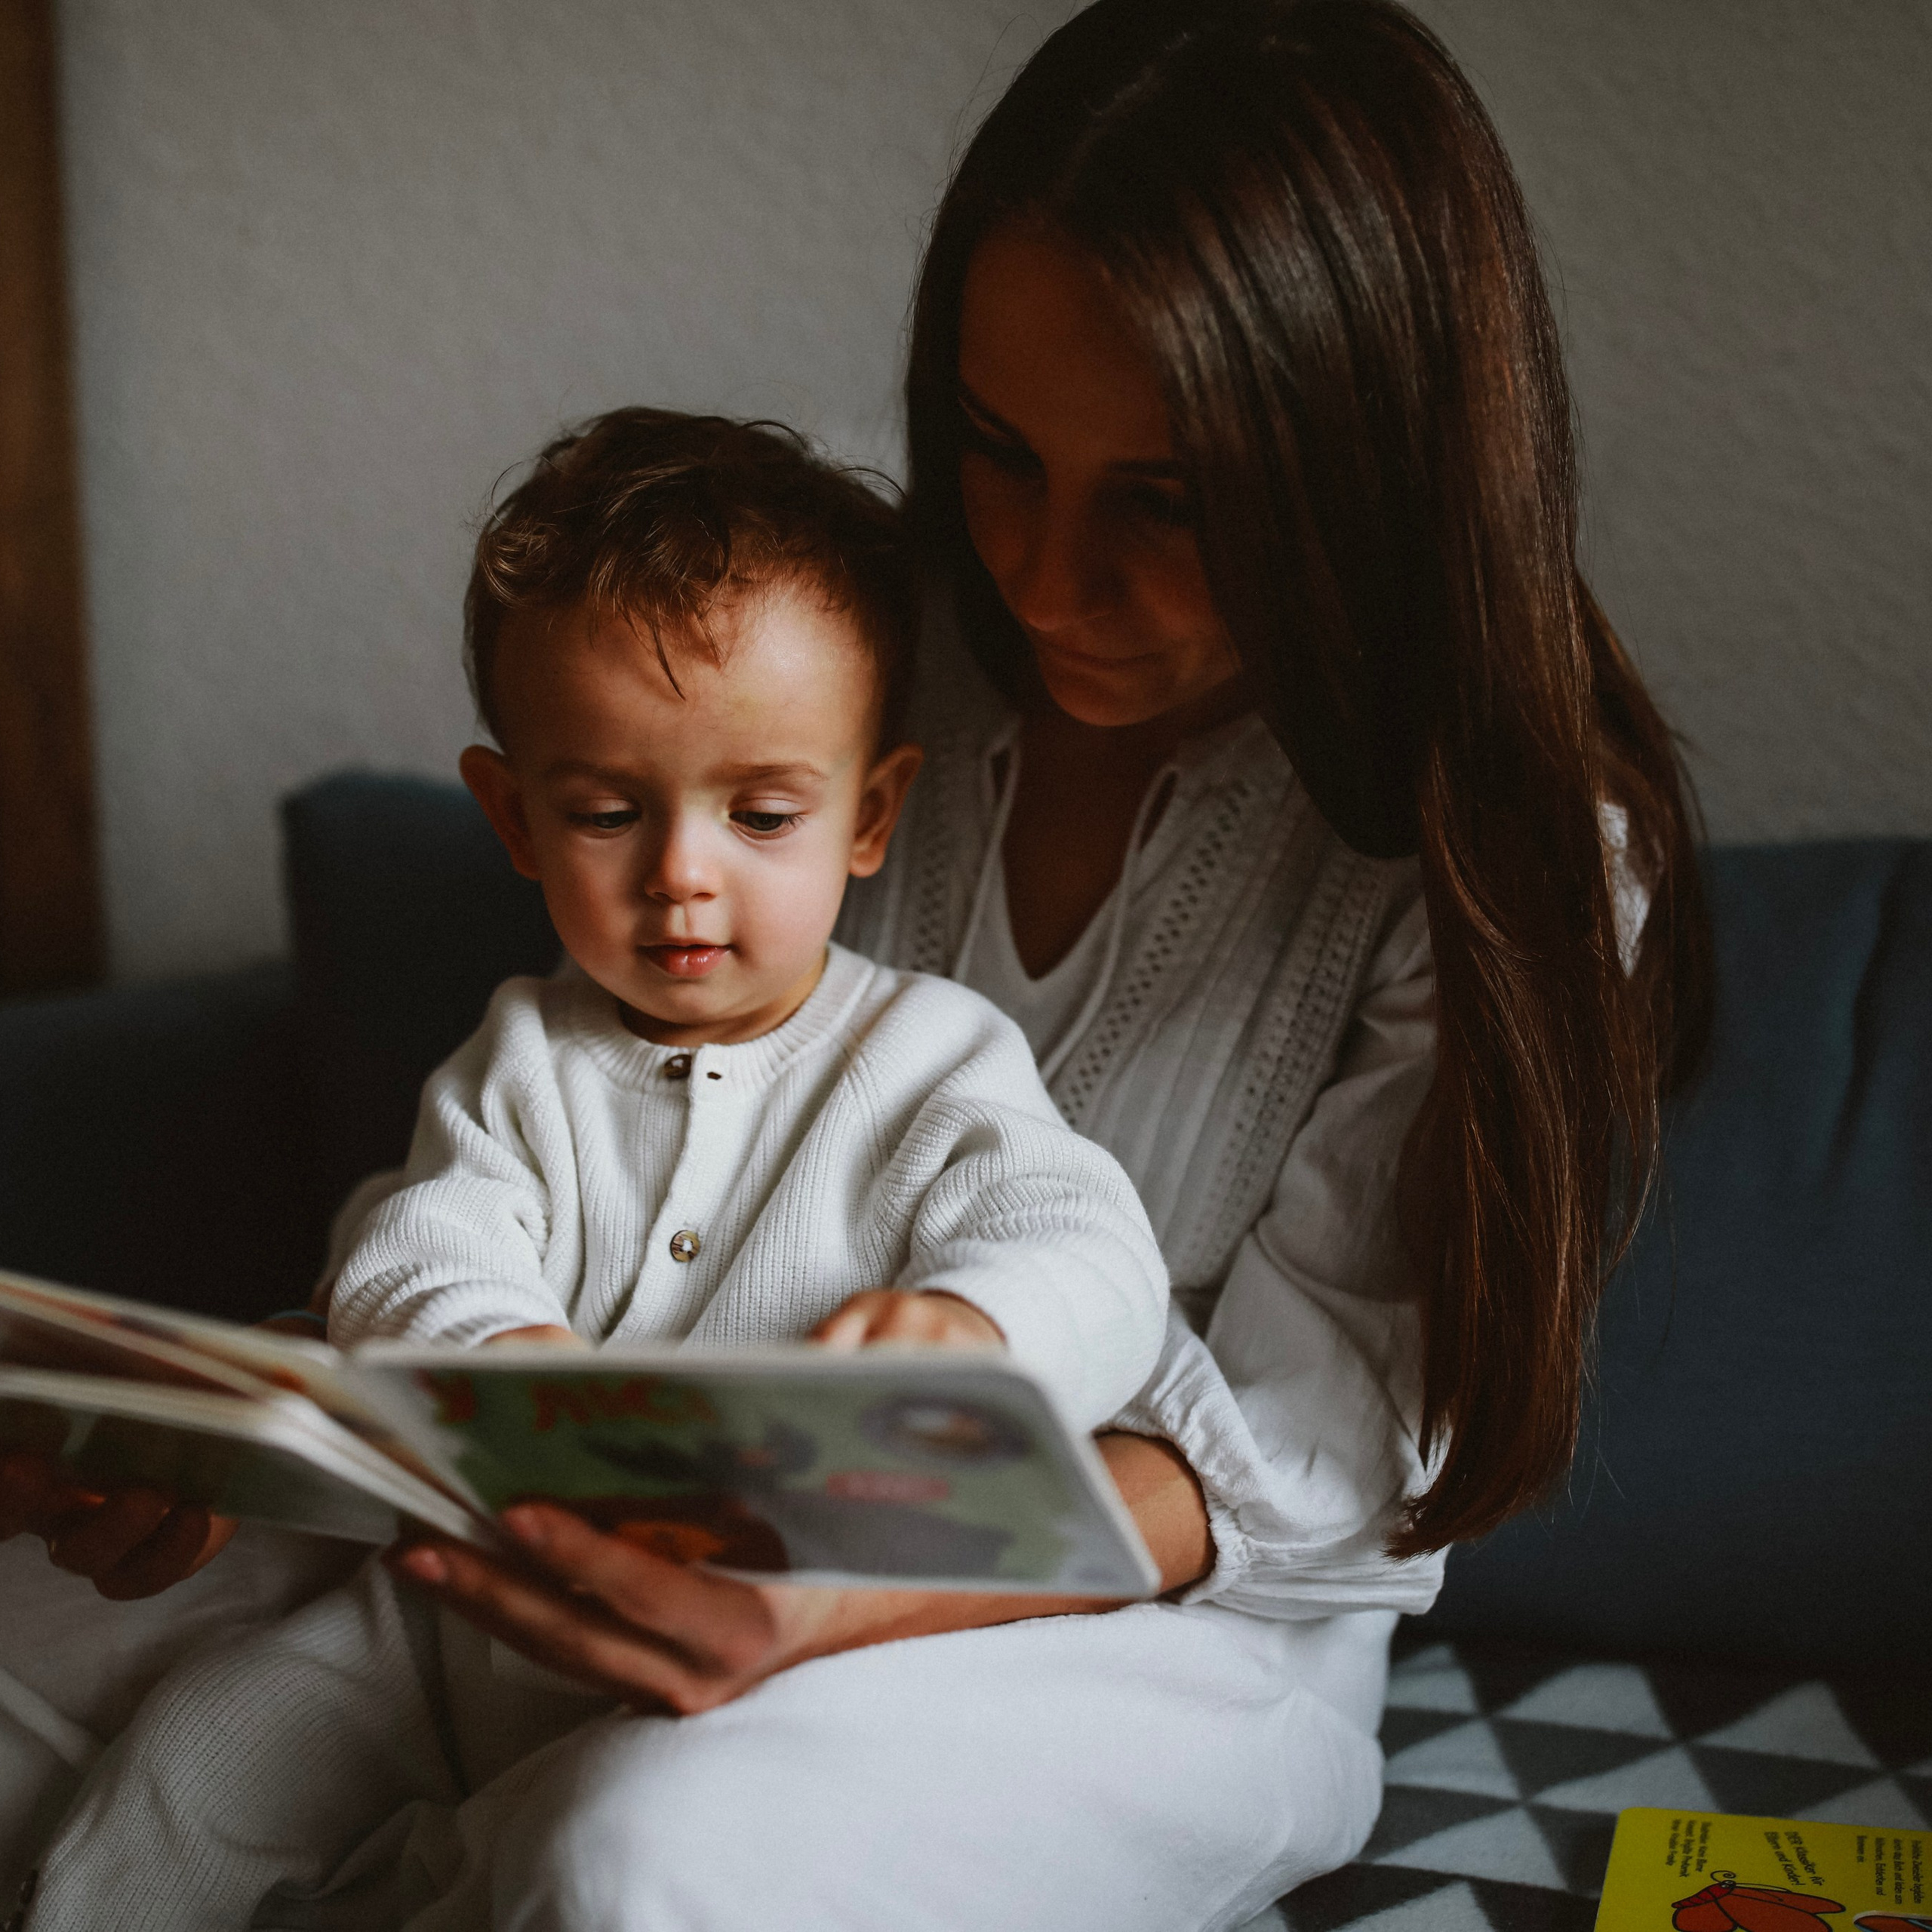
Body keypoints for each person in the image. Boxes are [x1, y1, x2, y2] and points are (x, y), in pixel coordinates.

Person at [2, 2, 1712, 1927]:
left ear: (1362, 461)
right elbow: (578, 1166)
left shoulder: (1515, 846)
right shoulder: (855, 647)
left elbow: (1286, 1478)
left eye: (1166, 497)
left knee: (642, 1847)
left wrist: (829, 1578)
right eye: (995, 451)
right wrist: (280, 1432)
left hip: (1147, 1611)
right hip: (627, 1480)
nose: (1048, 583)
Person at [19, 407, 1172, 1930]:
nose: (682, 872)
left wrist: (979, 1326)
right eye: (607, 811)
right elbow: (415, 1246)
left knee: (586, 1860)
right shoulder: (523, 1059)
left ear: (871, 815)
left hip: (761, 1653)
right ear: (511, 815)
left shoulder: (931, 1061)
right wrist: (503, 1356)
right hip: (448, 1630)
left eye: (762, 813)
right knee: (185, 1771)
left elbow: (1095, 1252)